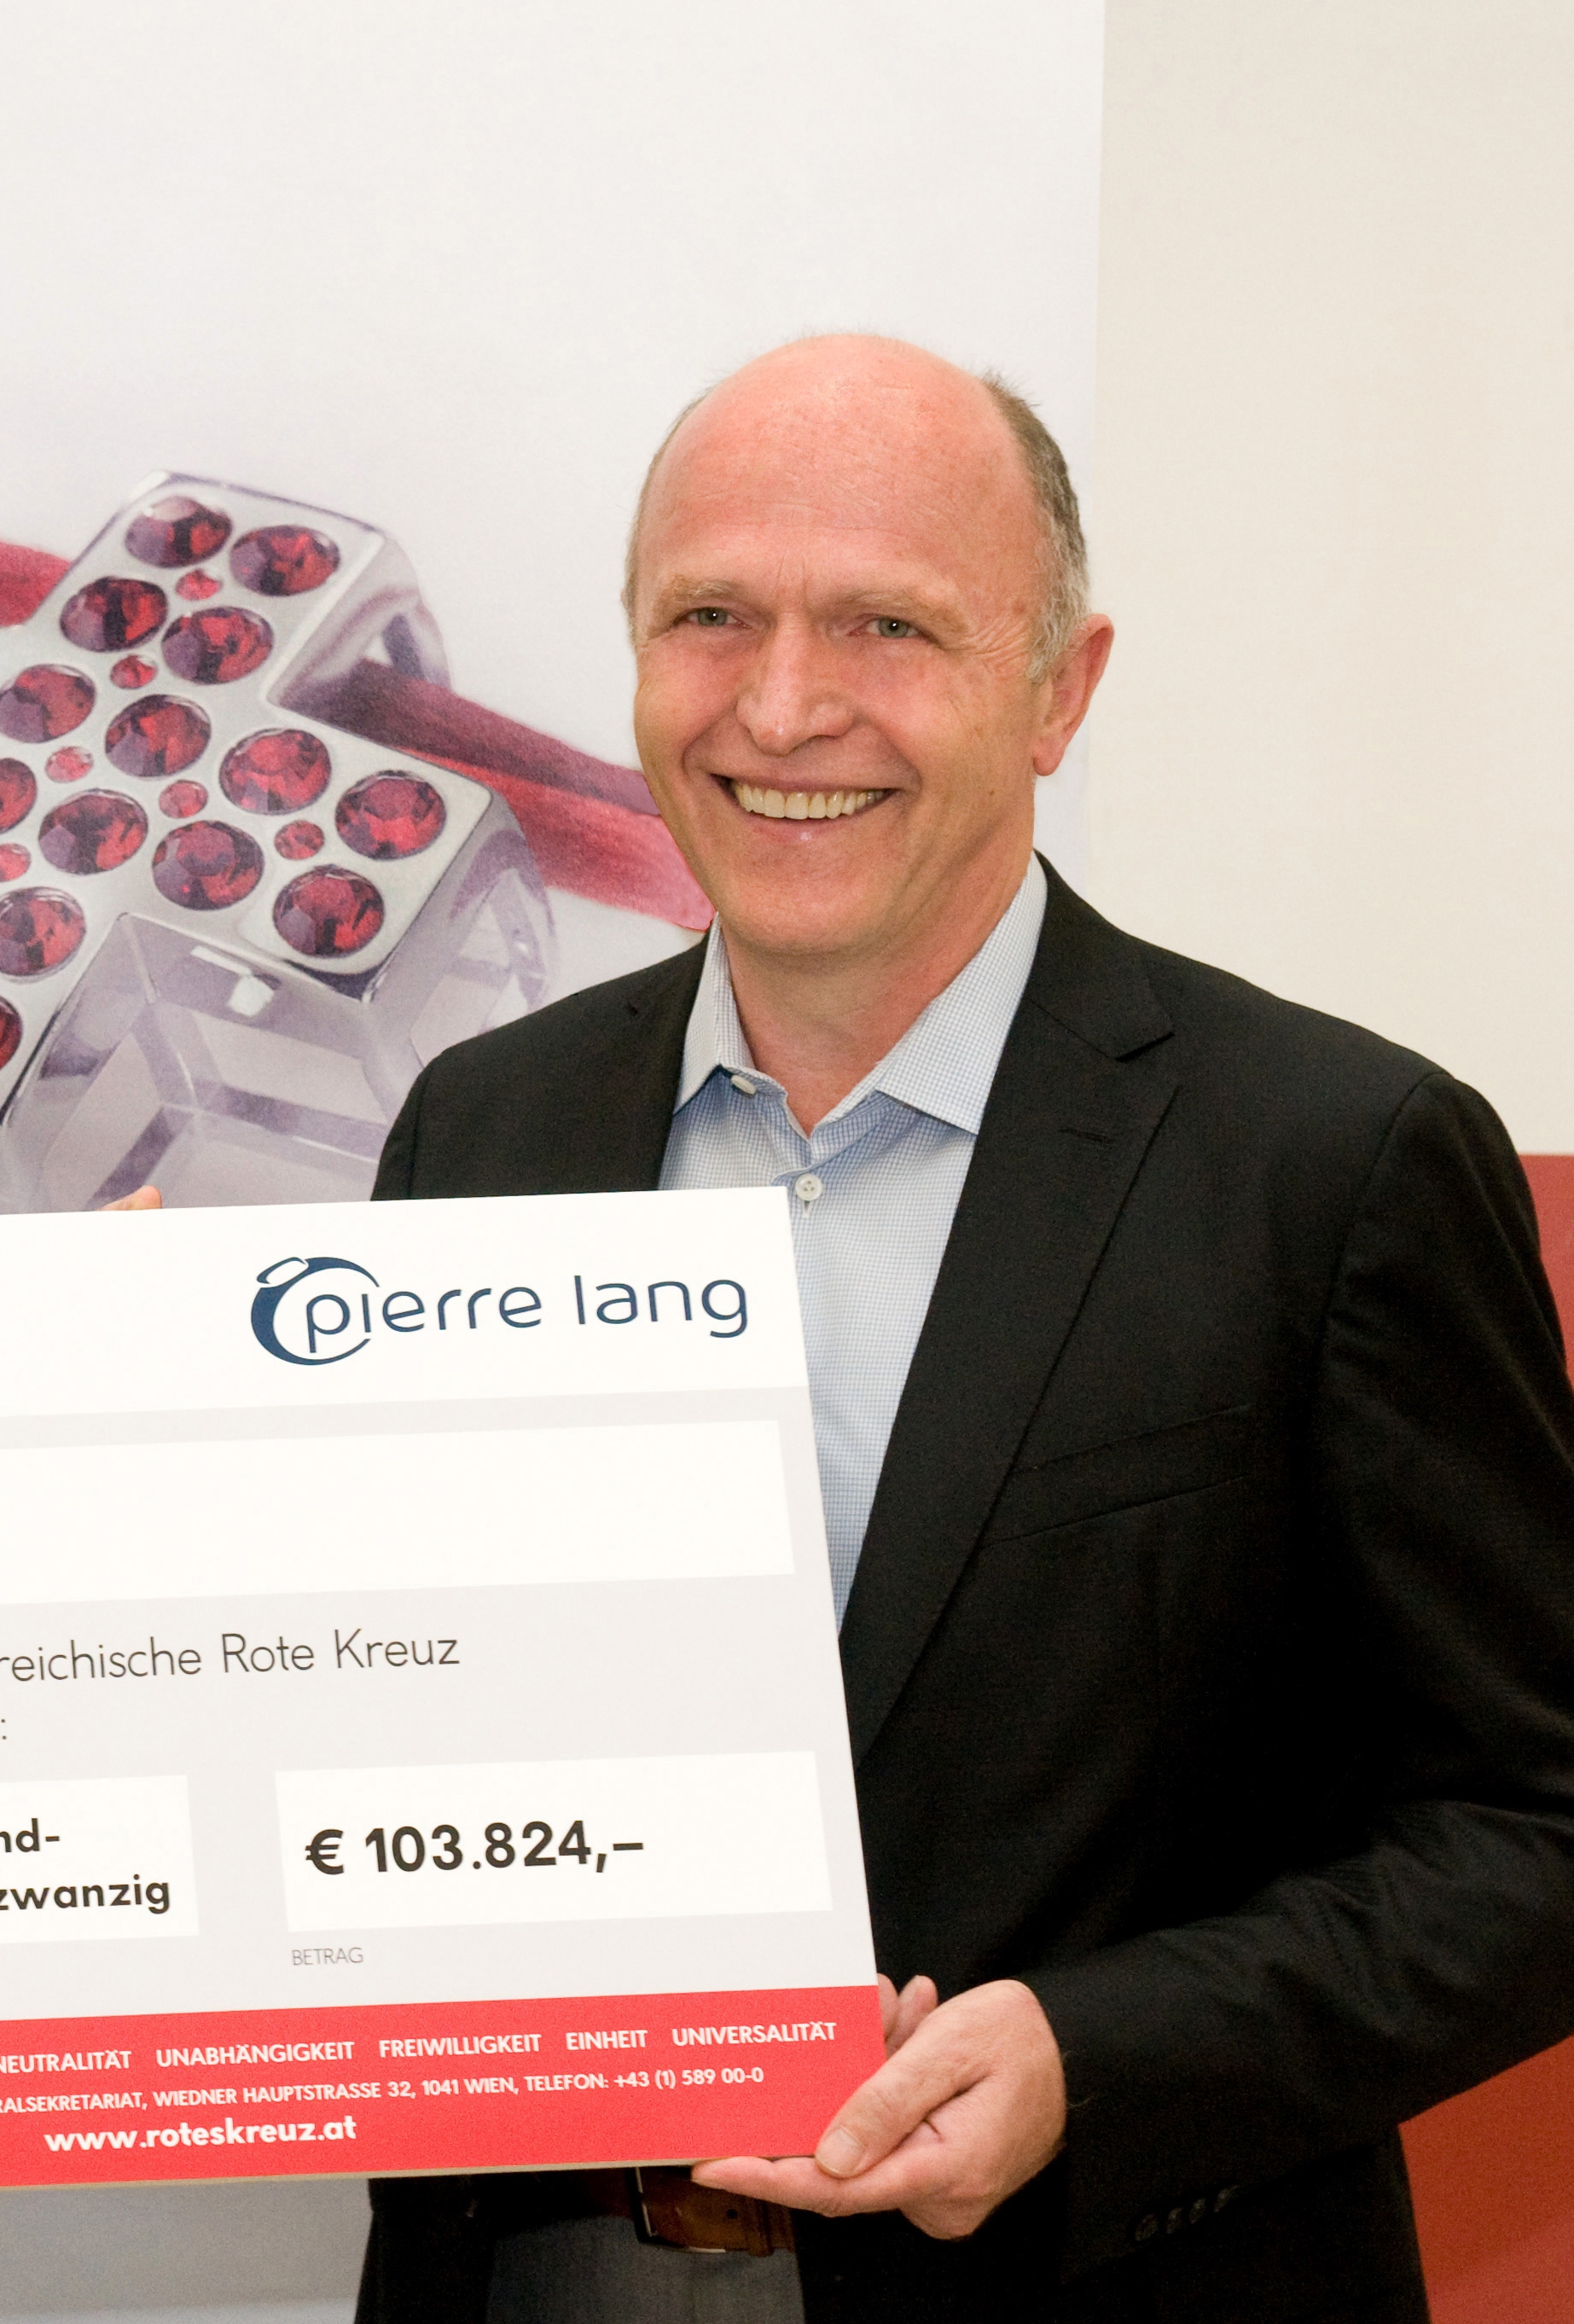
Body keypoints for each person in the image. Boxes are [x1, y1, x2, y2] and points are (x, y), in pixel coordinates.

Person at [358, 336, 1574, 2320]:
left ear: (1061, 689)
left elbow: (1536, 1830)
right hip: (535, 2272)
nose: (782, 706)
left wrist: (1100, 2060)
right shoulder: (479, 1133)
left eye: (889, 625)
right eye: (711, 617)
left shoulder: (1330, 1163)